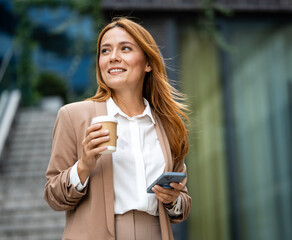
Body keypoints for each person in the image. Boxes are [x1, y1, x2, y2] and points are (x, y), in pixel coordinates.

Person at [44, 17, 191, 240]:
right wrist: (83, 165)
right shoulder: (73, 116)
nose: (113, 57)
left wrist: (172, 198)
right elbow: (53, 196)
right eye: (105, 51)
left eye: (125, 48)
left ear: (148, 63)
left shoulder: (167, 125)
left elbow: (183, 205)